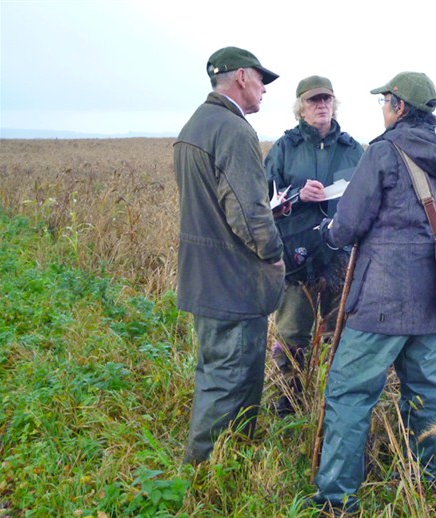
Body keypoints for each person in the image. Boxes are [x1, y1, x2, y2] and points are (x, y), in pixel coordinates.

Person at [309, 72, 436, 513]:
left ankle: (337, 499)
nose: (382, 109)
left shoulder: (383, 151)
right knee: (424, 395)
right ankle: (421, 485)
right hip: (433, 301)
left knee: (349, 394)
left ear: (398, 106)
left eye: (384, 102)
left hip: (379, 300)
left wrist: (329, 232)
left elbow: (350, 223)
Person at [173, 46, 285, 464]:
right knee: (229, 381)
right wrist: (273, 253)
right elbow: (248, 212)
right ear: (241, 76)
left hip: (203, 276)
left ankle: (230, 465)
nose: (264, 90)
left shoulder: (195, 126)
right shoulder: (233, 130)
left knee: (215, 374)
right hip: (232, 282)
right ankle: (203, 478)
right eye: (261, 80)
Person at [264, 76, 364, 417]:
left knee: (339, 330)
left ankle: (331, 397)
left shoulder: (353, 149)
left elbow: (369, 196)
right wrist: (296, 194)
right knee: (292, 332)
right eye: (313, 101)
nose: (321, 105)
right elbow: (262, 198)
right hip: (296, 254)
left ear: (334, 104)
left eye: (326, 99)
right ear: (300, 109)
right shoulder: (284, 148)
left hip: (341, 256)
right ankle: (288, 402)